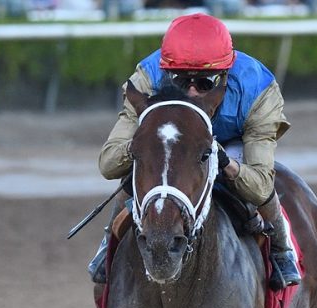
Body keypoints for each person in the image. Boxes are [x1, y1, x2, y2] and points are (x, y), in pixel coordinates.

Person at [88, 12, 301, 290]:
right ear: (166, 73)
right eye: (180, 80)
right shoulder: (146, 79)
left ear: (225, 75)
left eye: (204, 84)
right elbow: (108, 164)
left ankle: (281, 249)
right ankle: (109, 241)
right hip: (171, 141)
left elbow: (261, 184)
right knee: (144, 169)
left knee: (252, 190)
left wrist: (225, 162)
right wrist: (146, 145)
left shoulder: (259, 92)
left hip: (229, 142)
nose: (190, 92)